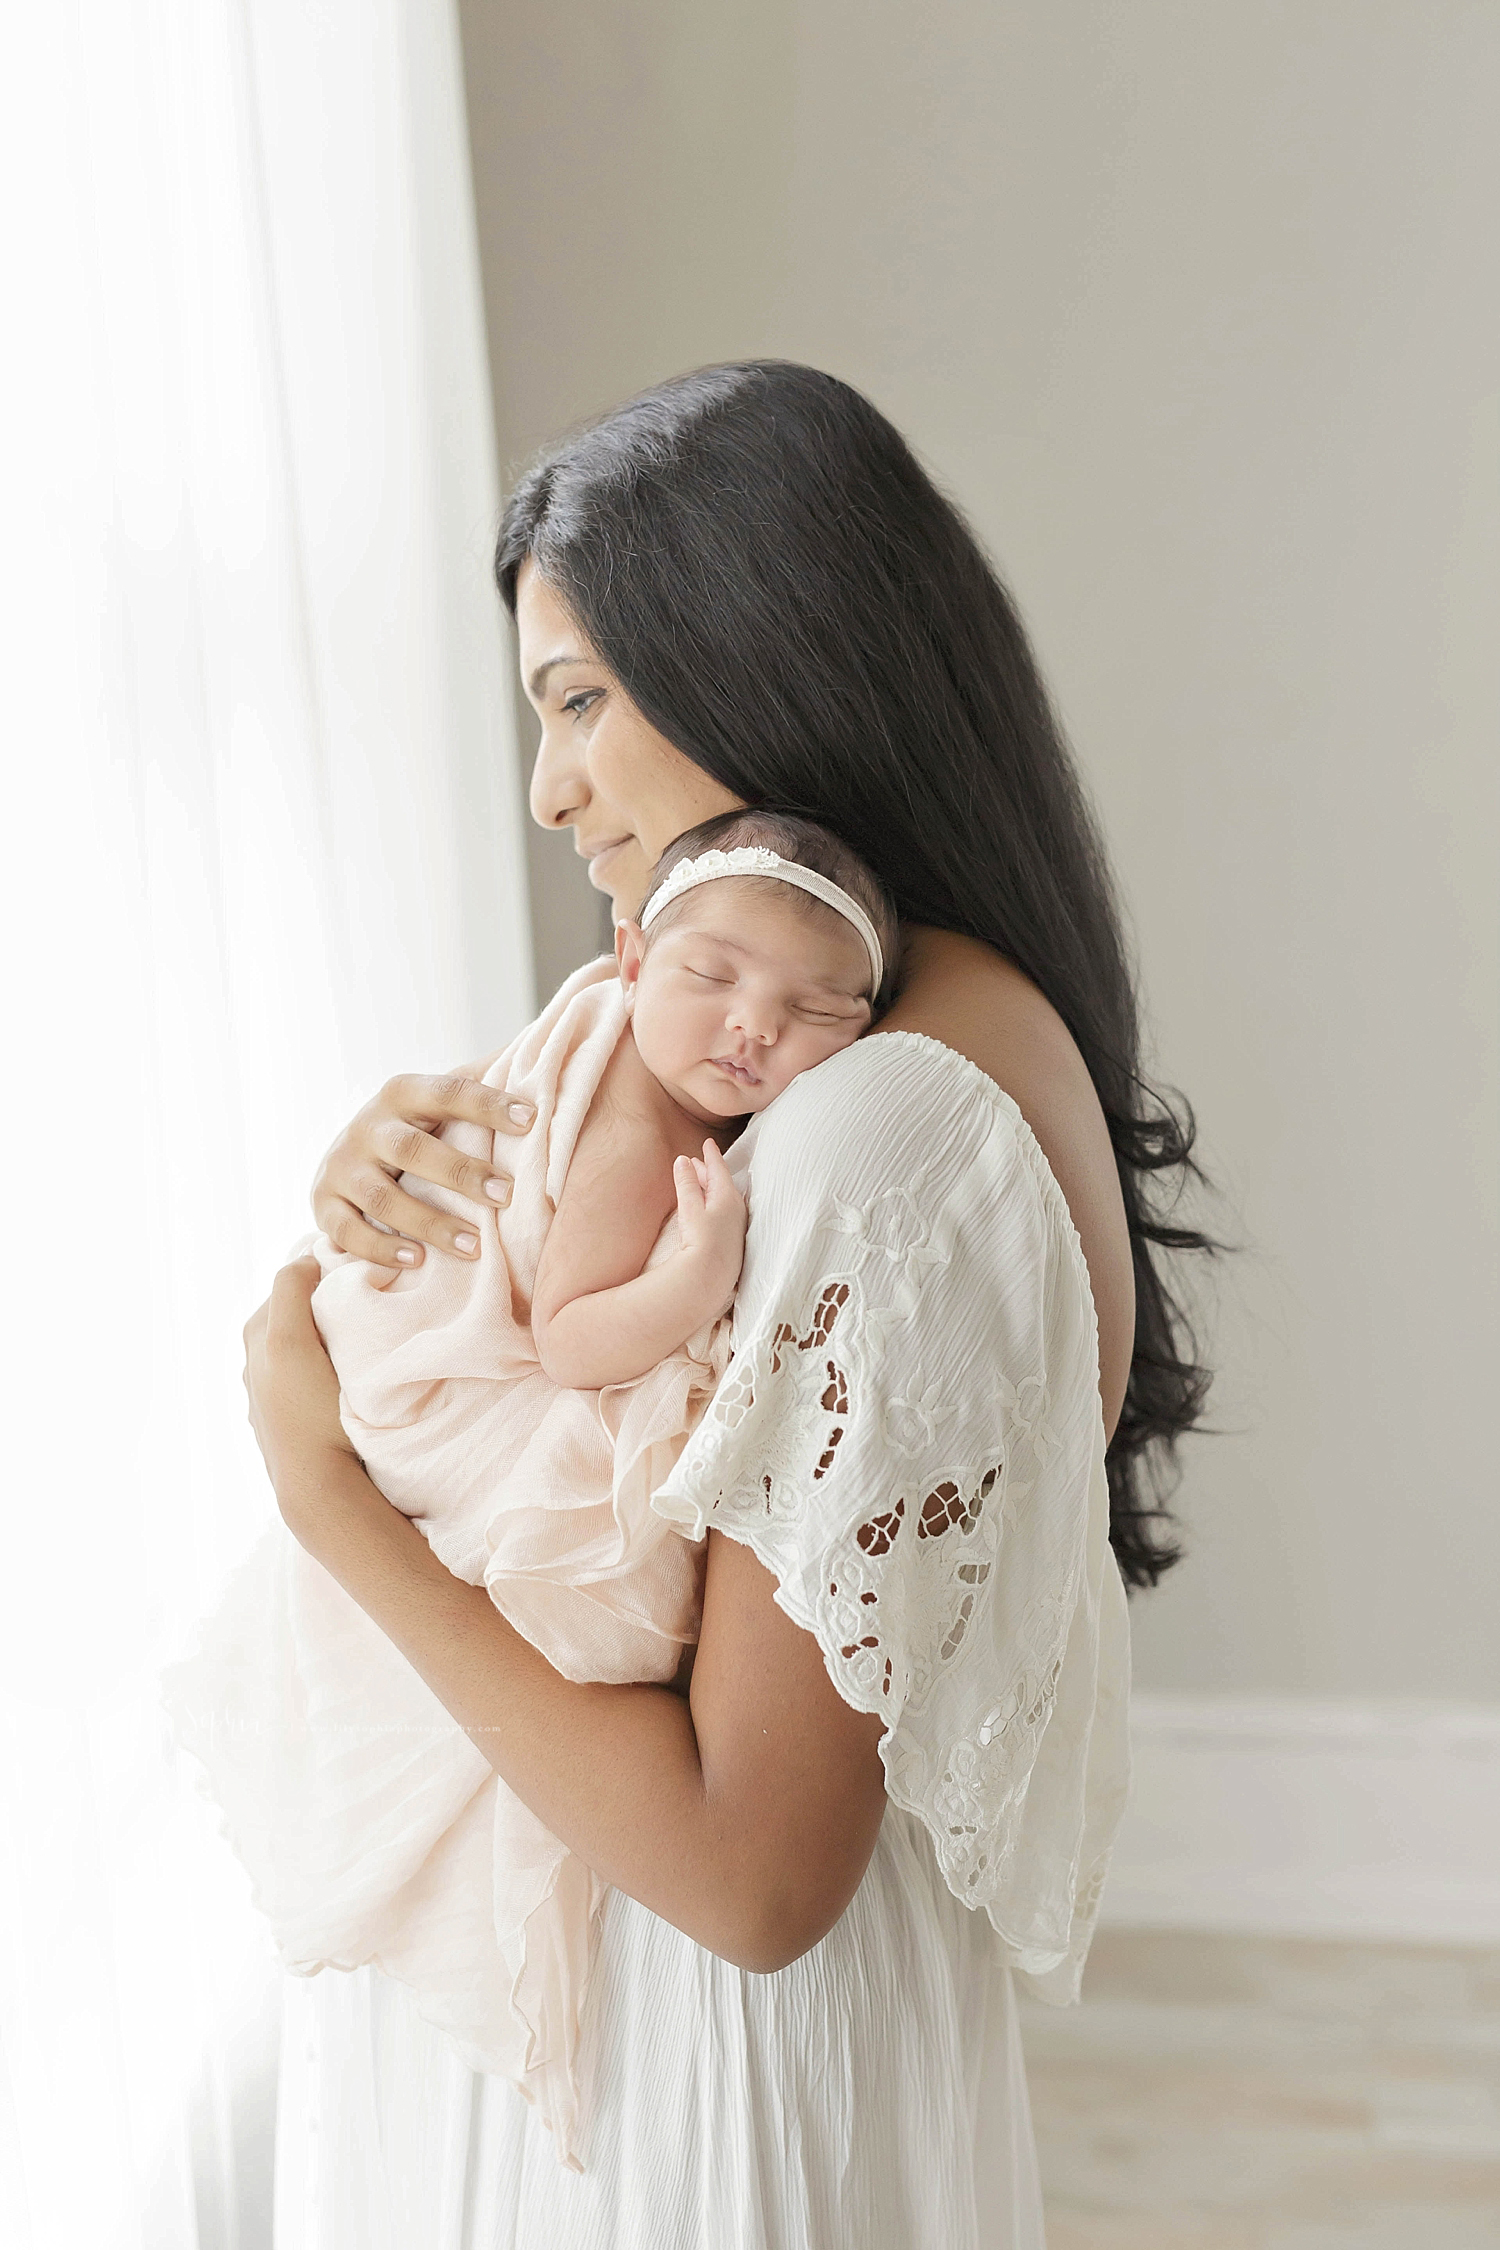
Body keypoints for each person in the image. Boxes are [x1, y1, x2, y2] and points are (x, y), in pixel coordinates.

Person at [243, 361, 1212, 2250]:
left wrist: (333, 1498)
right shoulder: (891, 1050)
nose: (551, 784)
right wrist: (427, 1214)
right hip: (681, 2052)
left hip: (686, 2090)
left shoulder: (879, 1135)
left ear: (765, 650)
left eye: (583, 699)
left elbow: (754, 1873)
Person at [171, 811, 898, 2168]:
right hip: (452, 1383)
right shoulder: (640, 1127)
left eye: (816, 1012)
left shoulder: (672, 1045)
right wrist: (692, 1280)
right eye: (715, 979)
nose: (753, 1029)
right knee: (604, 1584)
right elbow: (569, 1337)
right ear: (631, 957)